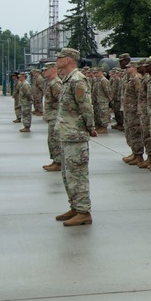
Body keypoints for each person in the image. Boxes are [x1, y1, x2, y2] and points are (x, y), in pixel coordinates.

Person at [53, 48, 97, 226]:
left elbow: (86, 106)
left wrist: (90, 127)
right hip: (67, 134)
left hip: (76, 135)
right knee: (68, 174)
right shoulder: (67, 79)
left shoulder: (78, 80)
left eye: (60, 57)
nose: (57, 60)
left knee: (77, 174)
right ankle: (75, 206)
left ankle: (83, 211)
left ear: (69, 60)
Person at [42, 62, 63, 172]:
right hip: (51, 116)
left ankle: (59, 162)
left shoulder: (55, 83)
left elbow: (61, 100)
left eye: (46, 70)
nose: (43, 72)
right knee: (51, 139)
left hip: (55, 116)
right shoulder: (50, 83)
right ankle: (55, 160)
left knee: (55, 139)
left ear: (52, 70)